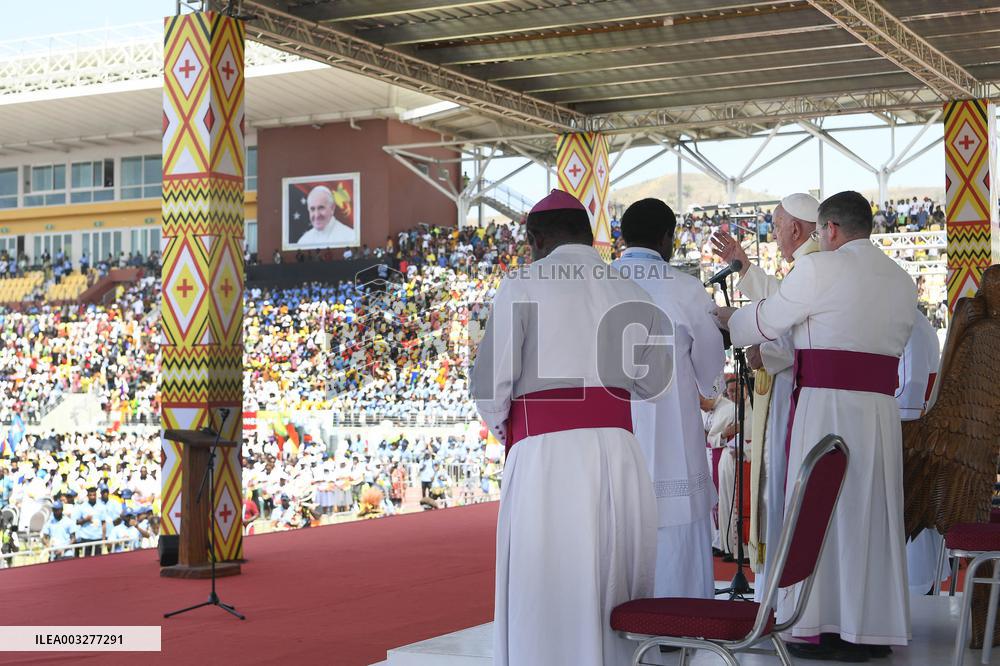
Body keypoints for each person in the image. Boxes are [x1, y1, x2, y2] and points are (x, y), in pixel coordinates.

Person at [470, 189, 671, 666]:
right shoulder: (632, 290)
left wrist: (514, 433)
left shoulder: (523, 283)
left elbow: (488, 388)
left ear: (537, 239)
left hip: (546, 457)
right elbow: (654, 386)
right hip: (619, 456)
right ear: (587, 233)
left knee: (549, 586)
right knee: (612, 582)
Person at [717, 191, 916, 660]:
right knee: (868, 511)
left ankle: (819, 622)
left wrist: (729, 319)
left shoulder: (820, 268)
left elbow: (766, 323)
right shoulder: (902, 280)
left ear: (828, 230)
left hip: (827, 408)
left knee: (822, 508)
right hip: (879, 413)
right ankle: (868, 627)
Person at [611, 198, 724, 599]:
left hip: (613, 433)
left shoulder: (598, 281)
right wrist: (711, 389)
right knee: (677, 534)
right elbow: (711, 367)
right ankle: (681, 625)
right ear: (666, 238)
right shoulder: (685, 287)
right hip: (672, 431)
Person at [711, 192, 819, 598]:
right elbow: (780, 303)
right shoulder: (805, 266)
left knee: (782, 484)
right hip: (792, 389)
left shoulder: (810, 266)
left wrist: (761, 351)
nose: (772, 234)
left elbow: (799, 338)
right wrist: (743, 267)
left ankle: (782, 587)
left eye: (775, 226)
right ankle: (778, 583)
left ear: (795, 227)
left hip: (796, 391)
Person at [898, 309, 945, 596]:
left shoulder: (910, 323)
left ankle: (917, 586)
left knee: (910, 511)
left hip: (910, 433)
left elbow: (912, 389)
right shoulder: (907, 319)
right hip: (907, 427)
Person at [75, 486, 105, 557]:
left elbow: (103, 523)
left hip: (98, 538)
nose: (92, 497)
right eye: (90, 495)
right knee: (86, 561)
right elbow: (77, 522)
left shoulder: (101, 506)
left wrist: (103, 538)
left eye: (94, 495)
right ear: (87, 496)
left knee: (98, 560)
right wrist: (85, 520)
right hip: (86, 538)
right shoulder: (82, 506)